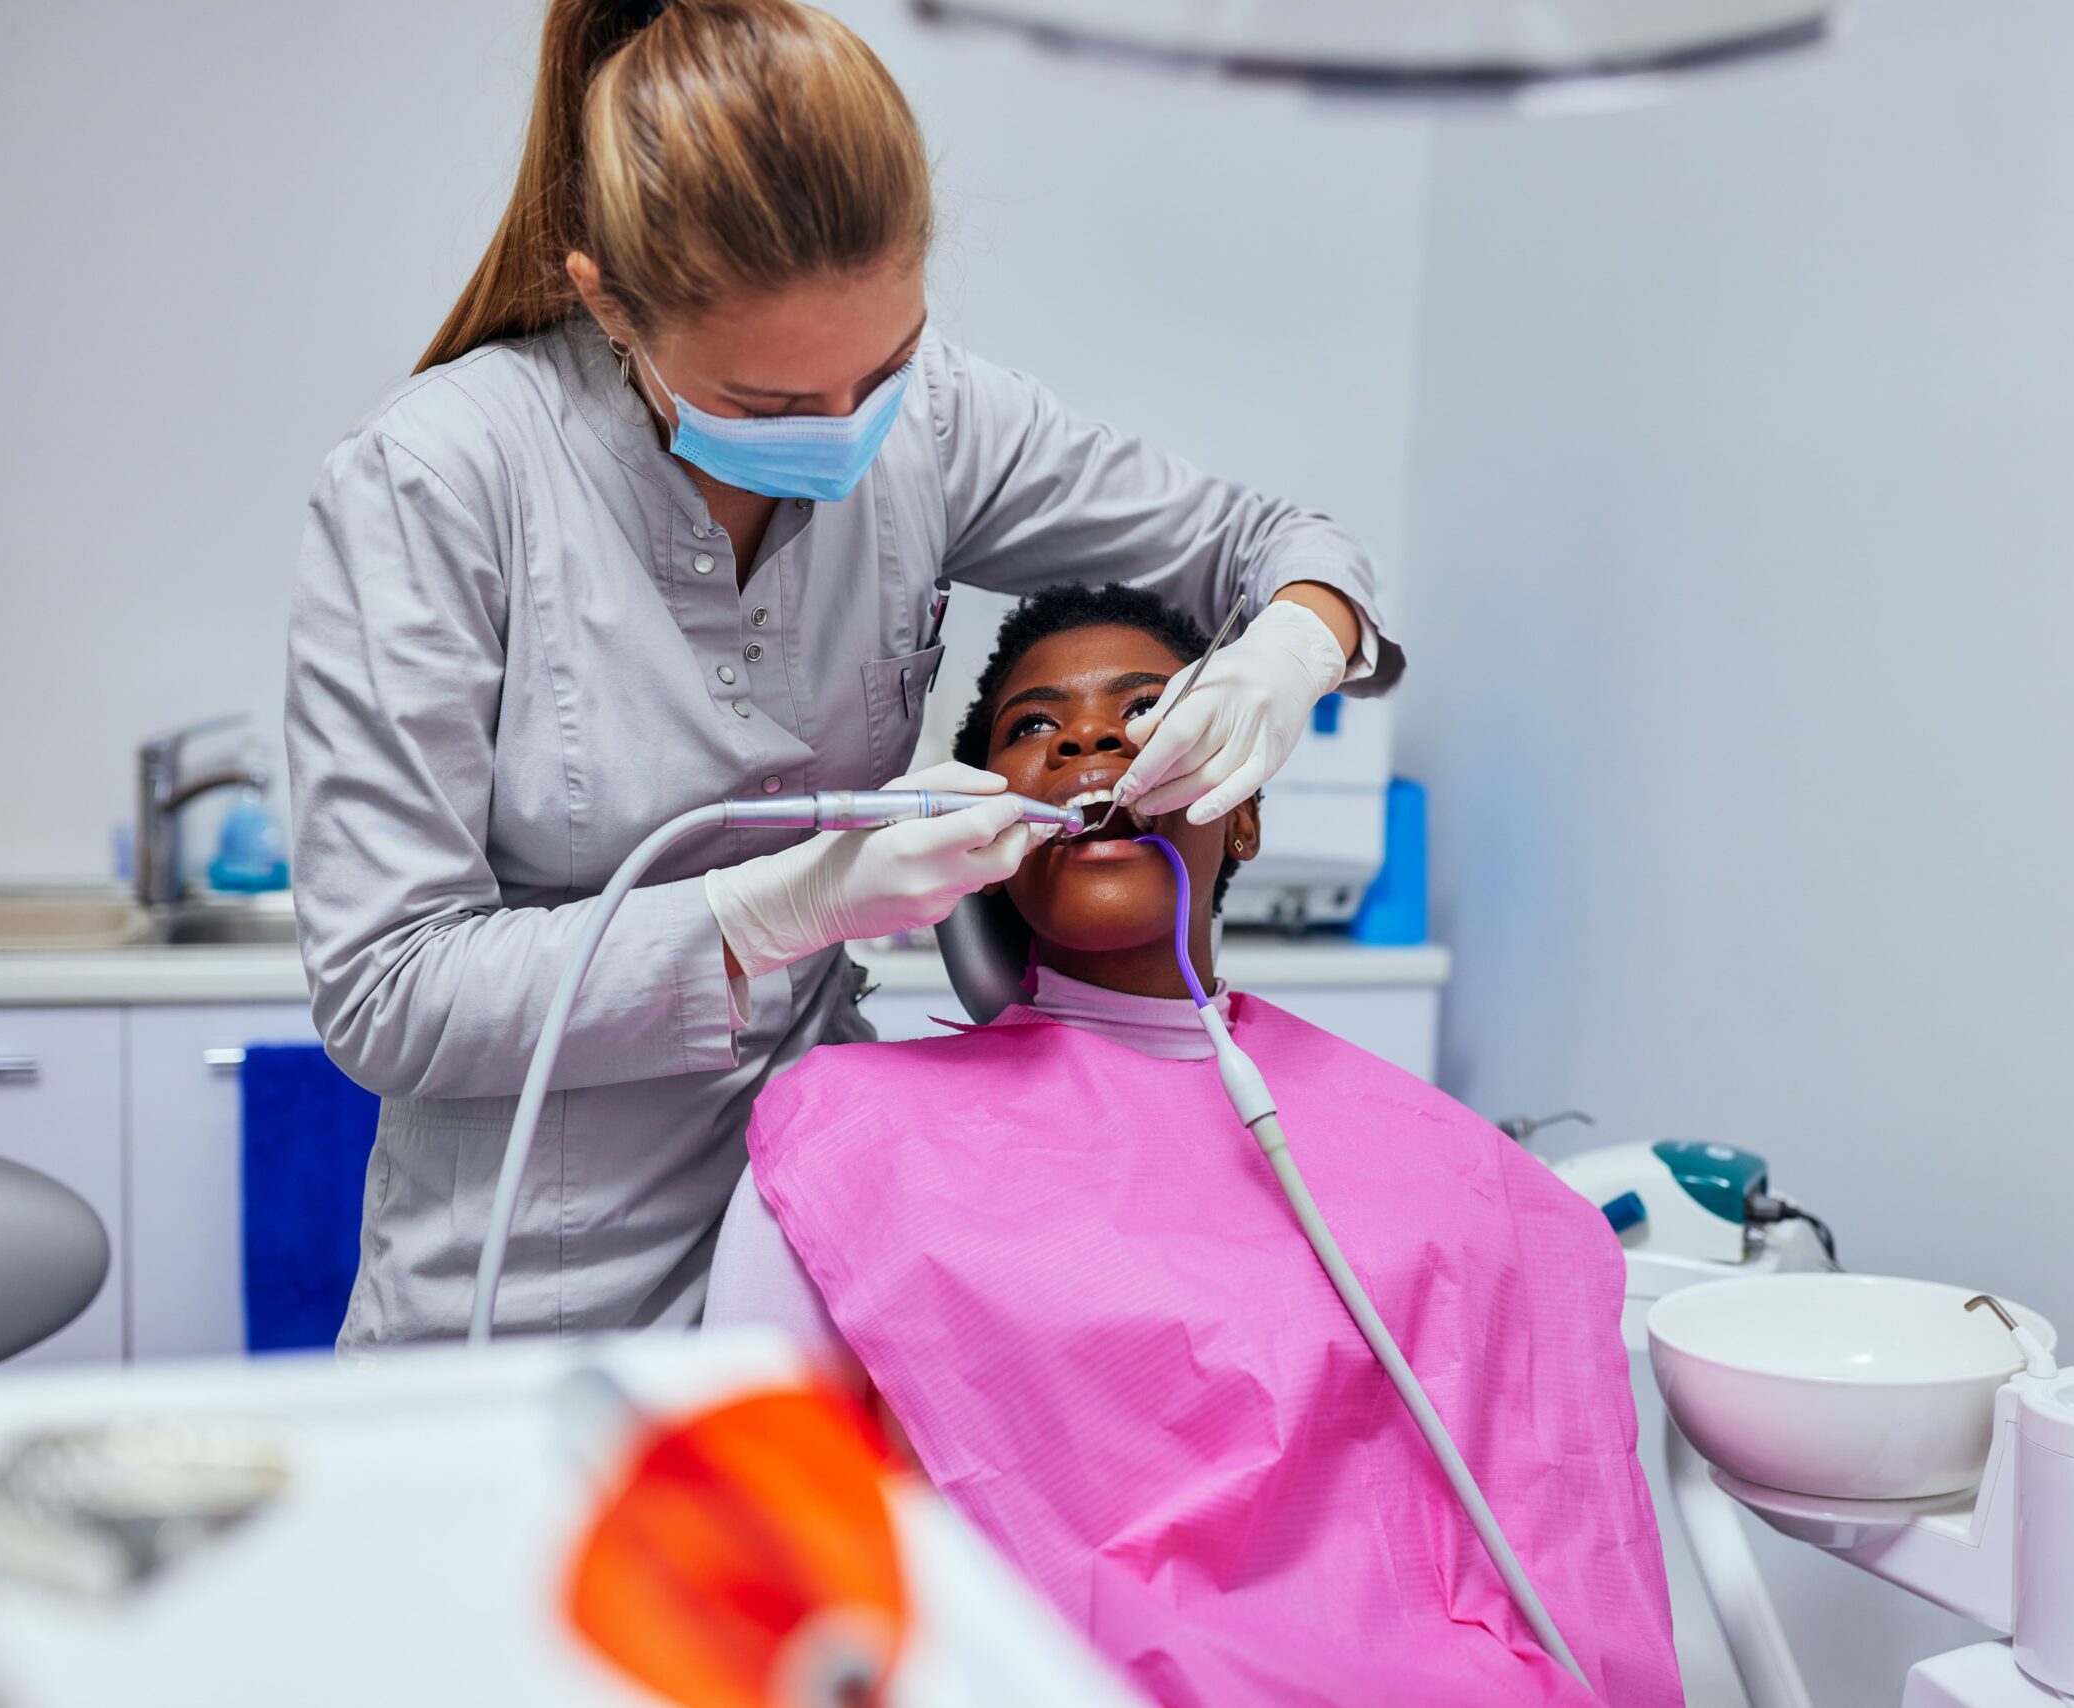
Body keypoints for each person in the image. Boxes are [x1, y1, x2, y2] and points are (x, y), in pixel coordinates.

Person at [284, 0, 1396, 1347]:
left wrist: (1294, 641)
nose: (850, 432)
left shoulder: (933, 425)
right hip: (528, 1298)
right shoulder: (441, 480)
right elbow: (387, 992)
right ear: (608, 305)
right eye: (768, 405)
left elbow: (1280, 543)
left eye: (886, 366)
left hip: (832, 1261)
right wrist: (784, 909)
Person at [708, 587, 1681, 1708]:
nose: (1087, 739)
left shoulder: (1447, 1164)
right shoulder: (852, 1139)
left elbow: (1560, 1525)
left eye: (1146, 710)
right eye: (1033, 727)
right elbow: (760, 1536)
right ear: (975, 827)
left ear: (1245, 809)